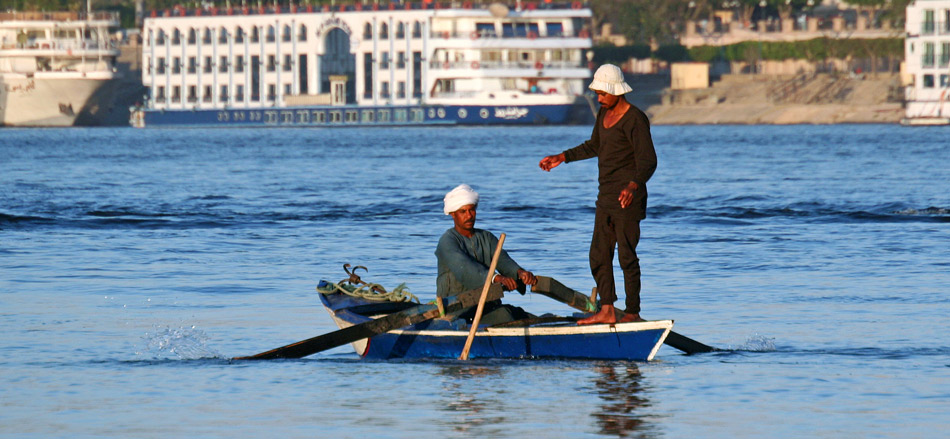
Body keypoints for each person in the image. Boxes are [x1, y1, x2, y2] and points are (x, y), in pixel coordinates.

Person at [538, 64, 657, 325]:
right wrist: (563, 157)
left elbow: (648, 161)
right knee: (599, 254)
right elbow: (595, 146)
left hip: (628, 198)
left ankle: (633, 312)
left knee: (627, 256)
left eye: (603, 93)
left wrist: (633, 185)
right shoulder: (603, 115)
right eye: (597, 93)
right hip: (606, 197)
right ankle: (607, 308)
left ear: (617, 91)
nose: (599, 98)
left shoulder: (635, 119)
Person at [435, 184, 538, 325]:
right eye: (463, 211)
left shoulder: (487, 237)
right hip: (459, 312)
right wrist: (496, 279)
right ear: (453, 214)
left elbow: (503, 261)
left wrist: (520, 273)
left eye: (472, 210)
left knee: (526, 316)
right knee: (504, 316)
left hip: (488, 307)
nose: (469, 215)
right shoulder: (447, 241)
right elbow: (465, 269)